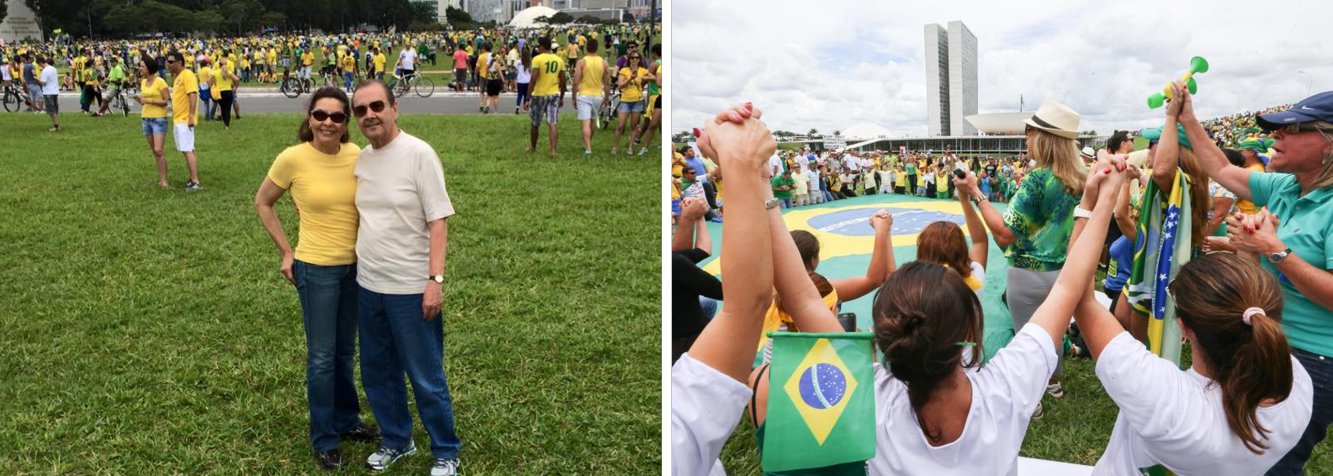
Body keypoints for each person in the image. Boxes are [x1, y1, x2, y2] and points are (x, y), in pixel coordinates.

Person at [746, 130, 1125, 475]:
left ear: (884, 334)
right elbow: (1068, 285)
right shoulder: (1006, 389)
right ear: (968, 327)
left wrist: (761, 182)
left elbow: (803, 298)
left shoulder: (870, 394)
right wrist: (1099, 199)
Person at [1168, 83, 1333, 475]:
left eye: (1292, 129)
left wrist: (1275, 250)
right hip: (1265, 337)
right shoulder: (1286, 186)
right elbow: (1220, 168)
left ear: (1328, 143)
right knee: (1243, 453)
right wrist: (1188, 117)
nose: (1275, 136)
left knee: (1272, 463)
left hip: (1313, 358)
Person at [1072, 250, 1311, 474]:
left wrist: (1090, 211)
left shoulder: (1167, 402)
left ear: (1183, 326)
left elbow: (1079, 295)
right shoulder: (1297, 384)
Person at [254, 87, 379, 470]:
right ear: (309, 118)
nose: (328, 122)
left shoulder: (357, 156)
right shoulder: (293, 158)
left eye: (337, 117)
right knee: (322, 358)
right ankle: (324, 437)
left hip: (357, 269)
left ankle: (346, 420)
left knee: (344, 352)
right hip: (317, 270)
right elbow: (264, 202)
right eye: (320, 115)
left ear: (346, 124)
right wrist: (286, 252)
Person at [350, 80, 461, 476]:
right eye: (360, 110)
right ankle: (397, 439)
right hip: (369, 285)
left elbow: (438, 221)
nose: (369, 115)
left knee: (425, 374)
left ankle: (446, 450)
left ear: (395, 107)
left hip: (411, 288)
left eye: (376, 106)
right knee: (378, 372)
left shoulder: (418, 154)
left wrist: (435, 279)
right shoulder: (361, 159)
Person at [670, 102, 775, 475]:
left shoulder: (676, 264)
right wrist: (743, 168)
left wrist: (693, 218)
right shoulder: (678, 431)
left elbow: (688, 254)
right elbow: (745, 301)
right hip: (687, 338)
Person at [969, 99, 1087, 405]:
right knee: (1055, 330)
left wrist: (976, 193)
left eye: (1029, 131)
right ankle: (1055, 382)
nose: (1026, 137)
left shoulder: (1037, 179)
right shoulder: (1079, 179)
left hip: (1027, 272)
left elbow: (1004, 234)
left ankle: (1032, 395)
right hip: (1063, 271)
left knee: (1028, 337)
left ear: (1043, 137)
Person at [671, 197, 725, 363]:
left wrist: (698, 217)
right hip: (685, 338)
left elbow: (702, 251)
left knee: (708, 303)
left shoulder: (674, 261)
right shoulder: (675, 264)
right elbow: (725, 292)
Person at [166, 51, 203, 191]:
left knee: (187, 149)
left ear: (179, 62)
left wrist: (191, 115)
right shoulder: (178, 77)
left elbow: (192, 94)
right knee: (187, 149)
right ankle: (192, 177)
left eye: (170, 62)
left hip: (184, 119)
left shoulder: (187, 75)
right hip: (178, 118)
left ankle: (195, 181)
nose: (167, 64)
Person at [134, 56, 171, 188]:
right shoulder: (143, 82)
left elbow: (166, 101)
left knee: (159, 149)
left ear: (149, 68)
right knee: (154, 151)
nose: (140, 68)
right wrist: (138, 99)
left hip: (159, 119)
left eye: (142, 66)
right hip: (146, 118)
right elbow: (144, 100)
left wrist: (149, 101)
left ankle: (165, 180)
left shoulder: (160, 82)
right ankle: (161, 178)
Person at [527, 38, 565, 158]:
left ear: (542, 47)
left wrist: (528, 97)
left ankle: (533, 148)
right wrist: (562, 96)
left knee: (535, 123)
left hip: (540, 93)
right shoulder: (559, 60)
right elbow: (563, 80)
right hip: (554, 93)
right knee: (552, 122)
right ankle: (553, 150)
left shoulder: (537, 59)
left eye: (539, 46)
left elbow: (533, 79)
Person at [572, 39, 609, 156]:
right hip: (598, 95)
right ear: (597, 48)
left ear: (587, 47)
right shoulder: (604, 62)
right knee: (593, 121)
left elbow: (575, 81)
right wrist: (607, 97)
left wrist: (573, 97)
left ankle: (588, 148)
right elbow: (607, 83)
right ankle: (588, 143)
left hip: (584, 94)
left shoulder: (582, 62)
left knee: (586, 123)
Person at [612, 51, 653, 156]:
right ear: (629, 59)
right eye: (632, 58)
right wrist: (630, 78)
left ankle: (630, 147)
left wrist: (643, 78)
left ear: (640, 60)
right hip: (625, 100)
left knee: (634, 125)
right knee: (620, 125)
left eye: (637, 58)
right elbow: (620, 86)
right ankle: (615, 147)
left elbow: (654, 78)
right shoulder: (624, 70)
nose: (635, 60)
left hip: (637, 100)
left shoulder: (642, 70)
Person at [213, 56, 239, 130]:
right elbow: (237, 79)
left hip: (220, 92)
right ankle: (227, 125)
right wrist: (235, 87)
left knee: (223, 108)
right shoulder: (229, 72)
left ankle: (225, 122)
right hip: (228, 91)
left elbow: (208, 80)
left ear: (219, 65)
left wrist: (213, 85)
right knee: (228, 109)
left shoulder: (216, 72)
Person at [36, 56, 59, 132]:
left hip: (48, 92)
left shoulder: (45, 71)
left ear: (40, 63)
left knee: (52, 111)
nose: (39, 66)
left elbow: (44, 83)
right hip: (55, 91)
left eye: (39, 65)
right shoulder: (53, 68)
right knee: (55, 110)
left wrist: (37, 79)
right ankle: (55, 124)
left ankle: (56, 126)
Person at [513, 49, 531, 115]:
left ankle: (517, 108)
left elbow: (515, 70)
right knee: (526, 95)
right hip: (527, 81)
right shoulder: (529, 62)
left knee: (519, 95)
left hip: (520, 80)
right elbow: (530, 71)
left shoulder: (518, 62)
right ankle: (525, 108)